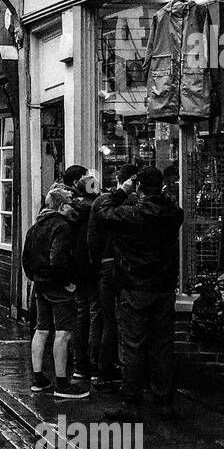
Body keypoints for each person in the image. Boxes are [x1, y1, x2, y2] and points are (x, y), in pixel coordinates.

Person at [93, 165, 184, 419]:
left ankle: (130, 401)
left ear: (140, 187)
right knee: (162, 345)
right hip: (164, 287)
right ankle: (163, 400)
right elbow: (169, 206)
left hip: (134, 286)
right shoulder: (175, 213)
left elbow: (102, 212)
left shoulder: (131, 215)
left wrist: (121, 191)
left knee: (132, 344)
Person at [22, 185, 90, 400]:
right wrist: (67, 282)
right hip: (57, 286)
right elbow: (58, 258)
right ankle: (62, 383)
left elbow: (26, 259)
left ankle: (38, 379)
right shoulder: (61, 226)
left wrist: (36, 278)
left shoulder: (35, 226)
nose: (74, 207)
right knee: (63, 332)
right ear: (61, 206)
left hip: (40, 285)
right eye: (70, 203)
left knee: (41, 330)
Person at [88, 163, 138, 388]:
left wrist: (94, 264)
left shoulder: (103, 203)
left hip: (105, 266)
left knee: (106, 318)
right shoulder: (134, 204)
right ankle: (114, 367)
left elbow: (92, 239)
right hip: (125, 268)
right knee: (121, 320)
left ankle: (102, 367)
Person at [62, 165, 102, 382]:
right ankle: (95, 365)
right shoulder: (97, 210)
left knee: (79, 315)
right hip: (94, 268)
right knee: (96, 315)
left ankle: (79, 366)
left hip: (76, 269)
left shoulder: (70, 211)